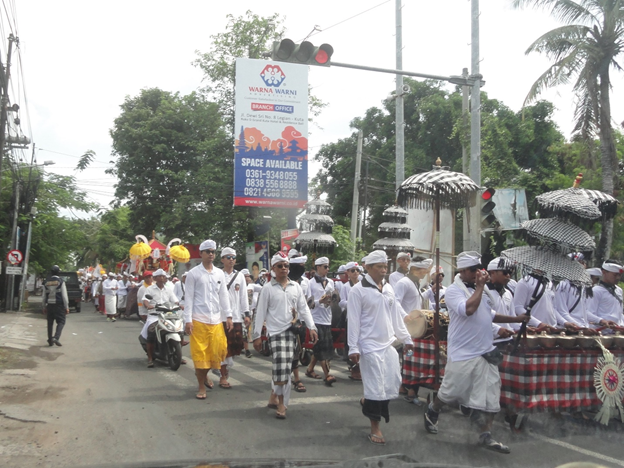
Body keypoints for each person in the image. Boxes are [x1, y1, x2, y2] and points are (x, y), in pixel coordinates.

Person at [423, 251, 529, 454]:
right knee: (451, 392)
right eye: (474, 269)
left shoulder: (483, 291)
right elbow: (468, 310)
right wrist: (480, 286)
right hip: (464, 351)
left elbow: (487, 315)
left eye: (480, 268)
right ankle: (433, 410)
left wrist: (515, 321)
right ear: (463, 271)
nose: (478, 272)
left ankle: (485, 435)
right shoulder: (454, 291)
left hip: (486, 350)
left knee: (491, 394)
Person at [348, 250, 414, 446]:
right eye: (380, 267)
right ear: (368, 268)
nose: (384, 270)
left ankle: (367, 400)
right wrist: (353, 347)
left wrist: (406, 337)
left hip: (388, 344)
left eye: (385, 266)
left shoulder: (388, 289)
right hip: (368, 345)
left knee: (391, 384)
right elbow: (353, 321)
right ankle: (375, 427)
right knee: (376, 388)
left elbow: (396, 316)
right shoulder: (357, 291)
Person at [253, 252, 318, 419]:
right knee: (282, 367)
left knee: (285, 368)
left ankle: (274, 396)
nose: (284, 268)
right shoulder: (267, 288)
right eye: (280, 266)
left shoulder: (295, 287)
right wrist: (256, 336)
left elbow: (303, 308)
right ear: (273, 268)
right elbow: (260, 313)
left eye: (286, 265)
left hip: (291, 332)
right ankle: (282, 403)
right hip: (275, 333)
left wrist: (312, 327)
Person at [183, 239, 233, 400]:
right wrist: (187, 320)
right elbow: (188, 298)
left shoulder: (219, 273)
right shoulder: (193, 274)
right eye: (208, 252)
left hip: (216, 320)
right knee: (200, 356)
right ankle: (200, 386)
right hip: (198, 320)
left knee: (219, 351)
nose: (211, 254)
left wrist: (229, 316)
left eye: (213, 252)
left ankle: (205, 375)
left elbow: (224, 296)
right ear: (201, 254)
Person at [395, 256, 433, 405]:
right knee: (409, 357)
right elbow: (395, 302)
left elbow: (414, 301)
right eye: (424, 271)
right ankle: (409, 390)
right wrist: (405, 316)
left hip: (415, 328)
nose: (425, 274)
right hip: (406, 328)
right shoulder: (403, 282)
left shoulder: (414, 283)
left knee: (410, 358)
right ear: (416, 269)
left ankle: (406, 387)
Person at [218, 247, 250, 388]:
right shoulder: (217, 275)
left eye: (233, 257)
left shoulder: (240, 276)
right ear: (222, 259)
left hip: (236, 316)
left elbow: (243, 296)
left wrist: (246, 313)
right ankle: (223, 375)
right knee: (222, 347)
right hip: (220, 317)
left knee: (234, 346)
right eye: (228, 257)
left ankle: (224, 369)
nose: (231, 260)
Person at [306, 256, 336, 385]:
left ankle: (310, 368)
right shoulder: (310, 283)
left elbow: (334, 298)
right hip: (316, 318)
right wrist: (319, 301)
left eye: (328, 267)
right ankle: (327, 374)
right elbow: (308, 302)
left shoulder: (330, 282)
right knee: (321, 346)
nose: (327, 269)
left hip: (327, 317)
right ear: (318, 267)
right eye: (325, 267)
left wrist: (332, 300)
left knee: (323, 346)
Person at [141, 269, 180, 368]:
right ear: (155, 278)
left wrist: (180, 305)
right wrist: (148, 305)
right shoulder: (150, 289)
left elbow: (175, 300)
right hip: (154, 316)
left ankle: (178, 352)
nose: (163, 277)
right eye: (160, 276)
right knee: (151, 332)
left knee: (180, 329)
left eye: (164, 276)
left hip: (168, 315)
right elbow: (145, 300)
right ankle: (150, 358)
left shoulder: (169, 289)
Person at [286, 252, 310, 392]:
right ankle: (295, 378)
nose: (302, 267)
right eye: (300, 265)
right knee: (290, 351)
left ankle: (293, 377)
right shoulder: (285, 279)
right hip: (286, 321)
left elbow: (306, 302)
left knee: (298, 350)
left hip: (300, 320)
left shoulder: (306, 282)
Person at [339, 261, 362, 380]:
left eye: (357, 270)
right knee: (351, 343)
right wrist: (353, 303)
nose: (356, 273)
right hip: (351, 318)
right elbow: (341, 302)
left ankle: (360, 366)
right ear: (347, 272)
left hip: (362, 318)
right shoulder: (345, 287)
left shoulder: (362, 284)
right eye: (352, 270)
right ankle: (353, 368)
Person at [587, 260, 624, 328]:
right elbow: (587, 313)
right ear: (604, 272)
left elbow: (619, 314)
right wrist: (601, 321)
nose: (618, 278)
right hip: (600, 331)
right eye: (615, 274)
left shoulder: (619, 291)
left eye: (620, 275)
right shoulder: (596, 290)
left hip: (616, 331)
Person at [43, 265, 70, 347]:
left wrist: (44, 306)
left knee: (50, 323)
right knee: (61, 321)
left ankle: (50, 340)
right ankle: (56, 337)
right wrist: (67, 307)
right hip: (59, 305)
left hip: (50, 305)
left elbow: (43, 296)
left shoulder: (46, 282)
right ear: (59, 272)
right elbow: (64, 296)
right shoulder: (61, 281)